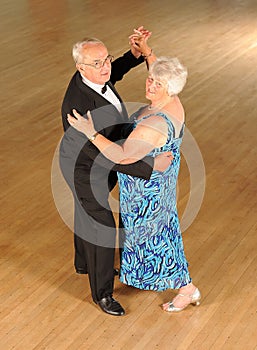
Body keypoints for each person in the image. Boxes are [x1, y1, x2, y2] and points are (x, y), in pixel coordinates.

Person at [67, 56, 201, 313]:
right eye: (150, 78)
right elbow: (161, 71)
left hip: (146, 196)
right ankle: (179, 284)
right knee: (165, 233)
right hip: (161, 188)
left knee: (157, 240)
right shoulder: (172, 103)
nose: (150, 85)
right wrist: (147, 52)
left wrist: (90, 132)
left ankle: (188, 289)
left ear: (169, 88)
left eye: (157, 83)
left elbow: (121, 156)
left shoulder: (153, 125)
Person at [59, 27, 173, 316]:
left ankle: (83, 263)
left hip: (103, 160)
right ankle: (103, 294)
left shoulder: (96, 76)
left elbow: (114, 71)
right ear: (79, 67)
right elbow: (103, 157)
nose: (104, 67)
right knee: (102, 227)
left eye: (106, 59)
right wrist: (149, 166)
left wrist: (134, 54)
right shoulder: (78, 105)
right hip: (87, 168)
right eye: (96, 64)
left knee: (84, 212)